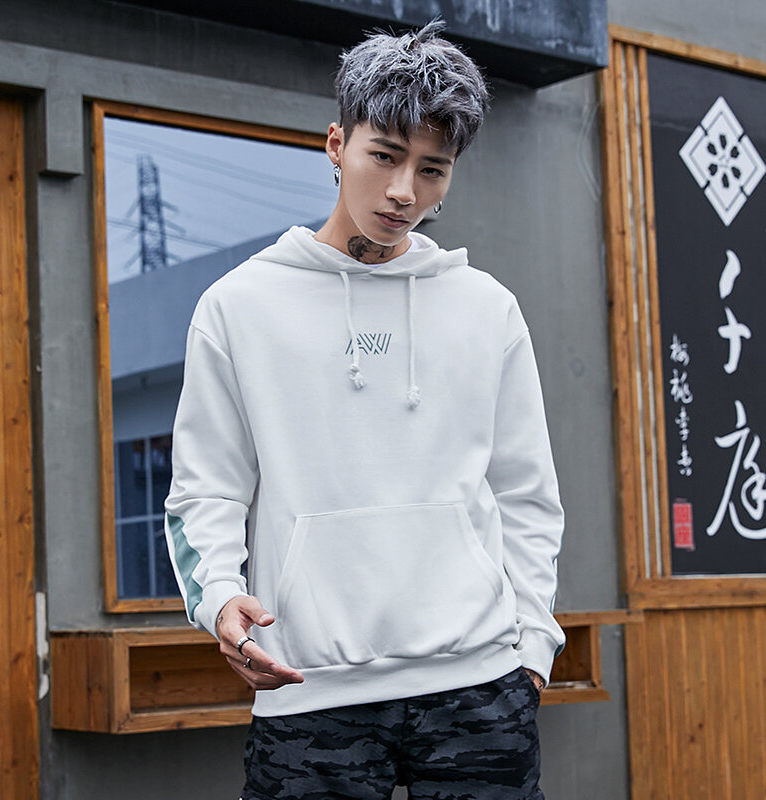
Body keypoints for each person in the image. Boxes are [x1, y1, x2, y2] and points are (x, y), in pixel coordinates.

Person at [164, 17, 565, 800]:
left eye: (432, 169)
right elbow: (204, 491)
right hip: (308, 691)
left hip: (481, 690)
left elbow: (526, 492)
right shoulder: (239, 306)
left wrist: (531, 652)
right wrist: (217, 597)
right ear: (335, 144)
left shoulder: (486, 309)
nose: (405, 191)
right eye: (384, 155)